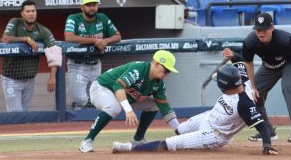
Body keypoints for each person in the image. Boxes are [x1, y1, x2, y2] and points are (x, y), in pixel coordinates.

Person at [112, 64, 278, 155]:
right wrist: (231, 56)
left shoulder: (244, 104)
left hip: (215, 135)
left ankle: (128, 148)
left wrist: (267, 146)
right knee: (180, 129)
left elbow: (262, 125)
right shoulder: (242, 79)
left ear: (225, 85)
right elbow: (240, 60)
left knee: (172, 143)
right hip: (209, 117)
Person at [223, 13, 291, 143]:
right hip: (270, 66)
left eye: (264, 30)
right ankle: (268, 132)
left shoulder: (285, 38)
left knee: (288, 86)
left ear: (272, 27)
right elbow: (249, 63)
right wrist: (253, 86)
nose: (261, 33)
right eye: (258, 30)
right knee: (253, 93)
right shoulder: (250, 42)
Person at [79, 50, 180, 153]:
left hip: (122, 96)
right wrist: (128, 110)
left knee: (154, 104)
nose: (167, 73)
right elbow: (118, 85)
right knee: (114, 107)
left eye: (169, 71)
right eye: (166, 69)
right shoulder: (139, 69)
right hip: (102, 88)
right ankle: (87, 140)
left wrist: (179, 130)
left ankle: (138, 139)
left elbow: (165, 108)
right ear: (156, 63)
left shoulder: (159, 84)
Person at [1, 0, 62, 112]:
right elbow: (5, 38)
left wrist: (52, 76)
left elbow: (55, 51)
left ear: (36, 13)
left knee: (24, 112)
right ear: (22, 14)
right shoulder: (15, 22)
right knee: (15, 113)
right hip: (11, 79)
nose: (31, 13)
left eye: (33, 11)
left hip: (30, 79)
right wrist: (26, 39)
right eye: (28, 11)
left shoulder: (42, 30)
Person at [64, 0, 121, 110]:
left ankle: (87, 117)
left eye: (94, 5)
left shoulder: (102, 18)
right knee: (81, 99)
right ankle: (79, 110)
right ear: (82, 7)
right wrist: (94, 40)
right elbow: (69, 37)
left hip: (95, 64)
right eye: (88, 5)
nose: (91, 8)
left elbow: (117, 36)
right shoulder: (74, 18)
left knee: (98, 97)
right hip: (77, 64)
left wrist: (106, 40)